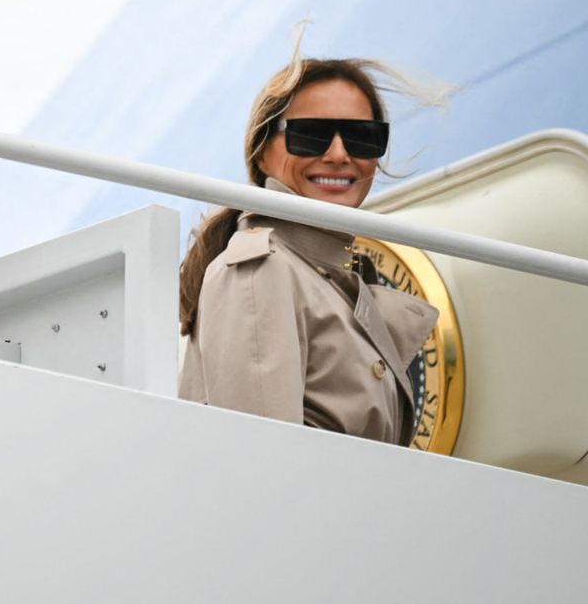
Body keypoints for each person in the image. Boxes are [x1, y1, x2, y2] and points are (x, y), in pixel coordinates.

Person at [177, 54, 438, 447]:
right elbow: (264, 467)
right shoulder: (259, 270)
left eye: (362, 137)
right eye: (311, 134)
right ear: (261, 152)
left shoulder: (329, 278)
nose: (338, 154)